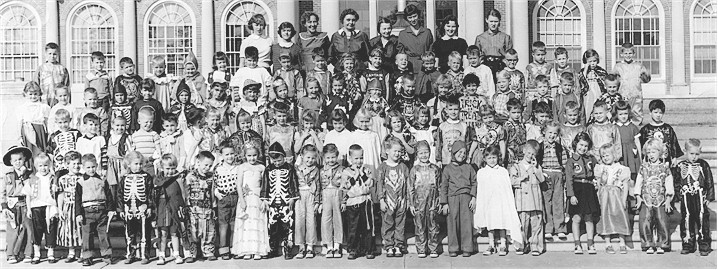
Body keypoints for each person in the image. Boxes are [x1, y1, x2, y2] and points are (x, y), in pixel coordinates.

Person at [474, 145, 522, 256]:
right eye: (489, 158)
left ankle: (503, 244)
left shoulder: (503, 171)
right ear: (485, 159)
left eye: (494, 157)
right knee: (490, 223)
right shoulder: (481, 172)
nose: (492, 160)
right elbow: (481, 190)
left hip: (500, 202)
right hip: (488, 202)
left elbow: (507, 189)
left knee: (502, 222)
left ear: (498, 158)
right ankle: (491, 244)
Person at [673, 139, 714, 256]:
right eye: (692, 154)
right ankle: (687, 244)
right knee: (686, 220)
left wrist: (709, 197)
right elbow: (676, 182)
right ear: (685, 151)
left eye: (697, 154)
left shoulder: (703, 165)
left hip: (700, 196)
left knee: (702, 220)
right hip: (686, 197)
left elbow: (709, 181)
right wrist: (677, 197)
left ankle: (704, 244)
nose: (694, 157)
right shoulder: (680, 166)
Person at [634, 138, 674, 254]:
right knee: (645, 220)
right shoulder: (644, 167)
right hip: (646, 199)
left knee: (661, 220)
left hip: (660, 199)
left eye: (653, 152)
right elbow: (639, 181)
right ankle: (648, 243)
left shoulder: (665, 167)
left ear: (660, 152)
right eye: (648, 152)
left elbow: (669, 182)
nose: (651, 155)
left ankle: (662, 243)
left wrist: (668, 199)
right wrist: (638, 196)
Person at [261, 142, 299, 259]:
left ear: (284, 157)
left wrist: (293, 197)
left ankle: (288, 249)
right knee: (272, 227)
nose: (277, 163)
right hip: (272, 203)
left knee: (288, 226)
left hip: (286, 202)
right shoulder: (268, 169)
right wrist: (265, 199)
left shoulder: (289, 168)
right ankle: (272, 248)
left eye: (279, 160)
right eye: (274, 161)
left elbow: (293, 183)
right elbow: (265, 185)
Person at [75, 154, 115, 266]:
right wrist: (78, 213)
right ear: (83, 167)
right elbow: (77, 199)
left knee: (103, 233)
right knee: (87, 234)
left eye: (93, 167)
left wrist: (110, 209)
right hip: (87, 211)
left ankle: (106, 254)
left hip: (101, 210)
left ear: (97, 165)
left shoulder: (102, 179)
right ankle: (87, 256)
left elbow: (109, 195)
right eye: (88, 167)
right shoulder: (80, 181)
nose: (91, 169)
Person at [232, 145, 270, 260]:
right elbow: (238, 185)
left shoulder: (262, 167)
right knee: (246, 223)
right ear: (245, 156)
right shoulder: (242, 167)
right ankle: (246, 250)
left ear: (258, 155)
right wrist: (242, 200)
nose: (252, 158)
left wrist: (263, 200)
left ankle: (257, 249)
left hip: (257, 198)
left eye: (254, 155)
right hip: (246, 198)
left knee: (257, 222)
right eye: (249, 156)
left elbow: (265, 185)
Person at [439, 140, 476, 257]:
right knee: (452, 223)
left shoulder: (469, 167)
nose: (462, 155)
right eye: (459, 152)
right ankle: (453, 248)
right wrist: (444, 202)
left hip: (466, 198)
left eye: (464, 153)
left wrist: (473, 197)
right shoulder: (447, 169)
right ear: (454, 153)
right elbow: (443, 186)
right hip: (452, 198)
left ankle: (467, 247)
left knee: (466, 223)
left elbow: (474, 182)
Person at [117, 151, 153, 264]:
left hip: (142, 208)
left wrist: (150, 206)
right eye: (136, 164)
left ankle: (144, 255)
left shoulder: (147, 177)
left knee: (144, 233)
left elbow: (150, 193)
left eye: (140, 164)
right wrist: (120, 209)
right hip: (128, 209)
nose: (139, 166)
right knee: (129, 234)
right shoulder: (124, 178)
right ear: (129, 164)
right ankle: (130, 254)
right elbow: (119, 194)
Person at [153, 154, 190, 265]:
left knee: (175, 233)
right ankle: (162, 255)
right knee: (163, 234)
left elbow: (183, 194)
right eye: (167, 169)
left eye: (172, 168)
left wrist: (183, 207)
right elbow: (154, 197)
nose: (170, 171)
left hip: (175, 208)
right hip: (162, 209)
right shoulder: (158, 180)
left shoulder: (178, 179)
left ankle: (176, 254)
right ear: (162, 168)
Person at [341, 144, 376, 260]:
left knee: (367, 227)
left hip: (365, 202)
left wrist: (362, 174)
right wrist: (355, 176)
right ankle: (353, 249)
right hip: (353, 203)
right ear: (350, 159)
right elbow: (345, 186)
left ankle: (368, 249)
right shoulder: (346, 172)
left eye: (361, 158)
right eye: (356, 158)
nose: (359, 161)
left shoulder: (366, 170)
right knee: (353, 228)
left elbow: (370, 184)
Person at [595, 143, 631, 254]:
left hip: (617, 195)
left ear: (614, 155)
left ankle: (622, 242)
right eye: (603, 156)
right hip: (605, 195)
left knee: (620, 215)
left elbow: (625, 186)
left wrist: (624, 199)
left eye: (607, 155)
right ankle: (607, 242)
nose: (605, 158)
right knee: (605, 216)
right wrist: (598, 198)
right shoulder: (600, 168)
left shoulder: (622, 168)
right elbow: (599, 184)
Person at [510, 142, 546, 256]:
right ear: (524, 151)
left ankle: (535, 246)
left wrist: (536, 168)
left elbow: (542, 180)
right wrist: (521, 178)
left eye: (533, 154)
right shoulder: (516, 166)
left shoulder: (536, 166)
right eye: (529, 152)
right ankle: (521, 245)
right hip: (522, 203)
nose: (530, 156)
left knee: (536, 225)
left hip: (535, 201)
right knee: (522, 225)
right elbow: (512, 181)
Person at [566, 133, 599, 255]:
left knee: (589, 217)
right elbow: (569, 179)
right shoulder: (571, 161)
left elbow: (597, 171)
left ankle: (590, 243)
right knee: (576, 217)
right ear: (575, 144)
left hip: (589, 188)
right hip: (577, 188)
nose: (583, 148)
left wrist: (597, 182)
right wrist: (571, 195)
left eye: (586, 146)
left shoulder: (591, 159)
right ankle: (577, 243)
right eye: (580, 145)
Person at [377, 137, 411, 257]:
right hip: (388, 201)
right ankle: (389, 245)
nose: (397, 154)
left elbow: (407, 185)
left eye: (399, 151)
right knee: (388, 223)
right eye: (394, 151)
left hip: (401, 201)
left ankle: (398, 245)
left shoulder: (403, 167)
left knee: (400, 224)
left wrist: (407, 200)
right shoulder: (383, 167)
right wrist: (381, 199)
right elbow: (379, 184)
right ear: (387, 151)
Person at [408, 141, 441, 258]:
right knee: (419, 225)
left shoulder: (435, 168)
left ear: (430, 152)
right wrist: (411, 204)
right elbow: (410, 187)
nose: (424, 155)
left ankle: (433, 248)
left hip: (432, 200)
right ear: (417, 154)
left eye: (426, 152)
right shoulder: (414, 169)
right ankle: (421, 248)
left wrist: (440, 200)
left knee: (433, 224)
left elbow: (440, 186)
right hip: (419, 201)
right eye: (421, 153)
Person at [23, 153, 58, 264]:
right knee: (37, 230)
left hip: (50, 207)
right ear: (36, 166)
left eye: (46, 165)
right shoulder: (32, 179)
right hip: (36, 206)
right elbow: (28, 195)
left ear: (50, 165)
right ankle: (37, 253)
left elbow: (58, 193)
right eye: (40, 166)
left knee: (51, 229)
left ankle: (50, 253)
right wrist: (29, 209)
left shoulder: (53, 178)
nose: (43, 168)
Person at [2, 146, 35, 264]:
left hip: (26, 204)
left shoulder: (30, 174)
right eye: (15, 160)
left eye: (20, 159)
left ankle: (27, 253)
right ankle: (11, 253)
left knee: (28, 229)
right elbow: (3, 192)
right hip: (12, 205)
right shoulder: (8, 176)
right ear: (11, 162)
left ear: (25, 159)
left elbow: (33, 189)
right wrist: (4, 207)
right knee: (13, 229)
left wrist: (24, 175)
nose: (18, 162)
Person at [536, 121, 568, 239]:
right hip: (545, 174)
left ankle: (560, 228)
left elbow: (564, 163)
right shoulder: (540, 147)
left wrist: (563, 176)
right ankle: (548, 228)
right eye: (549, 132)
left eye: (555, 133)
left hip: (557, 174)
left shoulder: (560, 148)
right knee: (546, 202)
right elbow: (537, 163)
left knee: (558, 201)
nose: (552, 135)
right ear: (544, 132)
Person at [185, 151, 218, 261]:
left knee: (209, 231)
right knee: (193, 231)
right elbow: (186, 192)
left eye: (210, 165)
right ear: (198, 162)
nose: (207, 168)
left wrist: (214, 206)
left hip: (207, 208)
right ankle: (192, 252)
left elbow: (213, 193)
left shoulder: (211, 177)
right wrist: (187, 206)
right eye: (206, 165)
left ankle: (208, 251)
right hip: (194, 208)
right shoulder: (190, 176)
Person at [213, 142, 243, 260]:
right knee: (223, 225)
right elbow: (214, 184)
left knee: (234, 224)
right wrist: (217, 195)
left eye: (231, 154)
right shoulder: (218, 168)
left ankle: (233, 248)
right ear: (221, 155)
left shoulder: (238, 168)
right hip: (224, 198)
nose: (229, 157)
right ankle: (224, 249)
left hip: (235, 197)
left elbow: (241, 182)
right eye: (226, 154)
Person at [612, 43, 651, 126]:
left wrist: (647, 75)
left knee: (636, 113)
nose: (628, 55)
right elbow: (613, 80)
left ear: (634, 54)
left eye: (630, 53)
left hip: (636, 95)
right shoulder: (618, 66)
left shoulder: (638, 66)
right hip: (623, 95)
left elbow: (646, 80)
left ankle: (636, 131)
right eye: (625, 53)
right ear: (621, 54)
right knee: (623, 112)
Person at [293, 145, 321, 259]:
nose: (310, 160)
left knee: (311, 221)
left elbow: (318, 185)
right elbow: (293, 183)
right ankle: (301, 246)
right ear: (302, 156)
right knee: (299, 221)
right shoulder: (296, 168)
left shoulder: (316, 169)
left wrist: (317, 201)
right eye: (308, 157)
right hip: (299, 196)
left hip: (311, 195)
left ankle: (310, 246)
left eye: (313, 158)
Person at [55, 151, 83, 262]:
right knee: (69, 229)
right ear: (67, 165)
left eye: (78, 163)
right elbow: (61, 195)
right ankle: (71, 252)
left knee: (80, 229)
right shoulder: (62, 179)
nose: (76, 166)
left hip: (79, 207)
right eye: (73, 164)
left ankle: (82, 252)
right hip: (68, 206)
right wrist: (60, 209)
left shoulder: (83, 178)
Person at [638, 99, 683, 166]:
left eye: (660, 113)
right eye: (655, 112)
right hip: (650, 161)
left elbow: (673, 143)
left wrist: (674, 157)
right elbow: (641, 146)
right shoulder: (645, 129)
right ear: (650, 113)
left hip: (666, 161)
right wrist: (642, 159)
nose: (658, 115)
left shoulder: (668, 128)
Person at [319, 144, 344, 258]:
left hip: (337, 193)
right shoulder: (321, 170)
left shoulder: (341, 169)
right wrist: (318, 202)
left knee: (337, 219)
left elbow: (345, 186)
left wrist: (344, 201)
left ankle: (337, 245)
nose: (331, 160)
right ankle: (329, 245)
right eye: (328, 158)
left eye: (333, 157)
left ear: (337, 156)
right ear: (324, 158)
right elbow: (318, 187)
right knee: (326, 220)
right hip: (325, 194)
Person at [436, 94, 474, 166]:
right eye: (450, 109)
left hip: (460, 160)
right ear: (446, 110)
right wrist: (438, 159)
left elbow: (467, 143)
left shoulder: (464, 126)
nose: (453, 112)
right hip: (446, 160)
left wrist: (468, 156)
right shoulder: (442, 126)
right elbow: (439, 144)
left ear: (460, 110)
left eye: (456, 109)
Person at [475, 9, 512, 79]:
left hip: (501, 67)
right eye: (491, 21)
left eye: (496, 21)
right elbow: (477, 56)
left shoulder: (505, 37)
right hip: (485, 67)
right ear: (486, 20)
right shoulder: (480, 38)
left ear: (499, 21)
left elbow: (509, 55)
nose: (493, 24)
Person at [398, 4, 434, 74]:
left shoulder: (427, 32)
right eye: (410, 17)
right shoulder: (403, 34)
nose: (413, 19)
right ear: (406, 19)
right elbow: (401, 54)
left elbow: (431, 50)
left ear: (418, 15)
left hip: (425, 67)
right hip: (409, 67)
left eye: (415, 16)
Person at [18, 82, 51, 156]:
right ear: (25, 94)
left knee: (40, 151)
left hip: (39, 130)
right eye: (30, 94)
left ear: (39, 94)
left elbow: (46, 121)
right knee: (29, 151)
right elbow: (20, 123)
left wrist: (49, 133)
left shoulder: (43, 107)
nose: (33, 96)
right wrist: (19, 136)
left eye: (35, 94)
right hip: (27, 130)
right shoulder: (22, 108)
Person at [349, 108, 383, 173]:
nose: (364, 124)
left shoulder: (374, 135)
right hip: (359, 165)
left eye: (366, 121)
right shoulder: (353, 135)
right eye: (361, 121)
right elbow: (350, 153)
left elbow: (378, 152)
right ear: (357, 121)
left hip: (372, 164)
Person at [105, 117, 132, 197]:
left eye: (122, 125)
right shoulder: (110, 137)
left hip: (121, 163)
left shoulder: (126, 137)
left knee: (122, 184)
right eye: (117, 125)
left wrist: (126, 166)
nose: (120, 128)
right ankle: (113, 205)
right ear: (112, 125)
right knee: (112, 185)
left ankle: (121, 205)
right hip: (111, 164)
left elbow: (129, 152)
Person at [578, 49, 608, 119]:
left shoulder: (601, 71)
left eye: (594, 61)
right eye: (590, 61)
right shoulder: (583, 72)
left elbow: (605, 82)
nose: (592, 63)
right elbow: (581, 81)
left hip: (598, 92)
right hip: (588, 93)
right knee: (588, 109)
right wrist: (585, 69)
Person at [130, 108, 160, 176]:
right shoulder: (135, 135)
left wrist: (158, 158)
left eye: (151, 122)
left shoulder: (154, 134)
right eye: (146, 122)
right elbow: (133, 150)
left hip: (150, 163)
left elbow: (158, 148)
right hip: (139, 164)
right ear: (139, 121)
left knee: (151, 180)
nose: (149, 124)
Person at [503, 98, 527, 166]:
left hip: (521, 154)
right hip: (510, 155)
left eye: (518, 112)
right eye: (514, 112)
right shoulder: (507, 125)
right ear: (508, 112)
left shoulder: (521, 125)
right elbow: (505, 141)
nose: (516, 115)